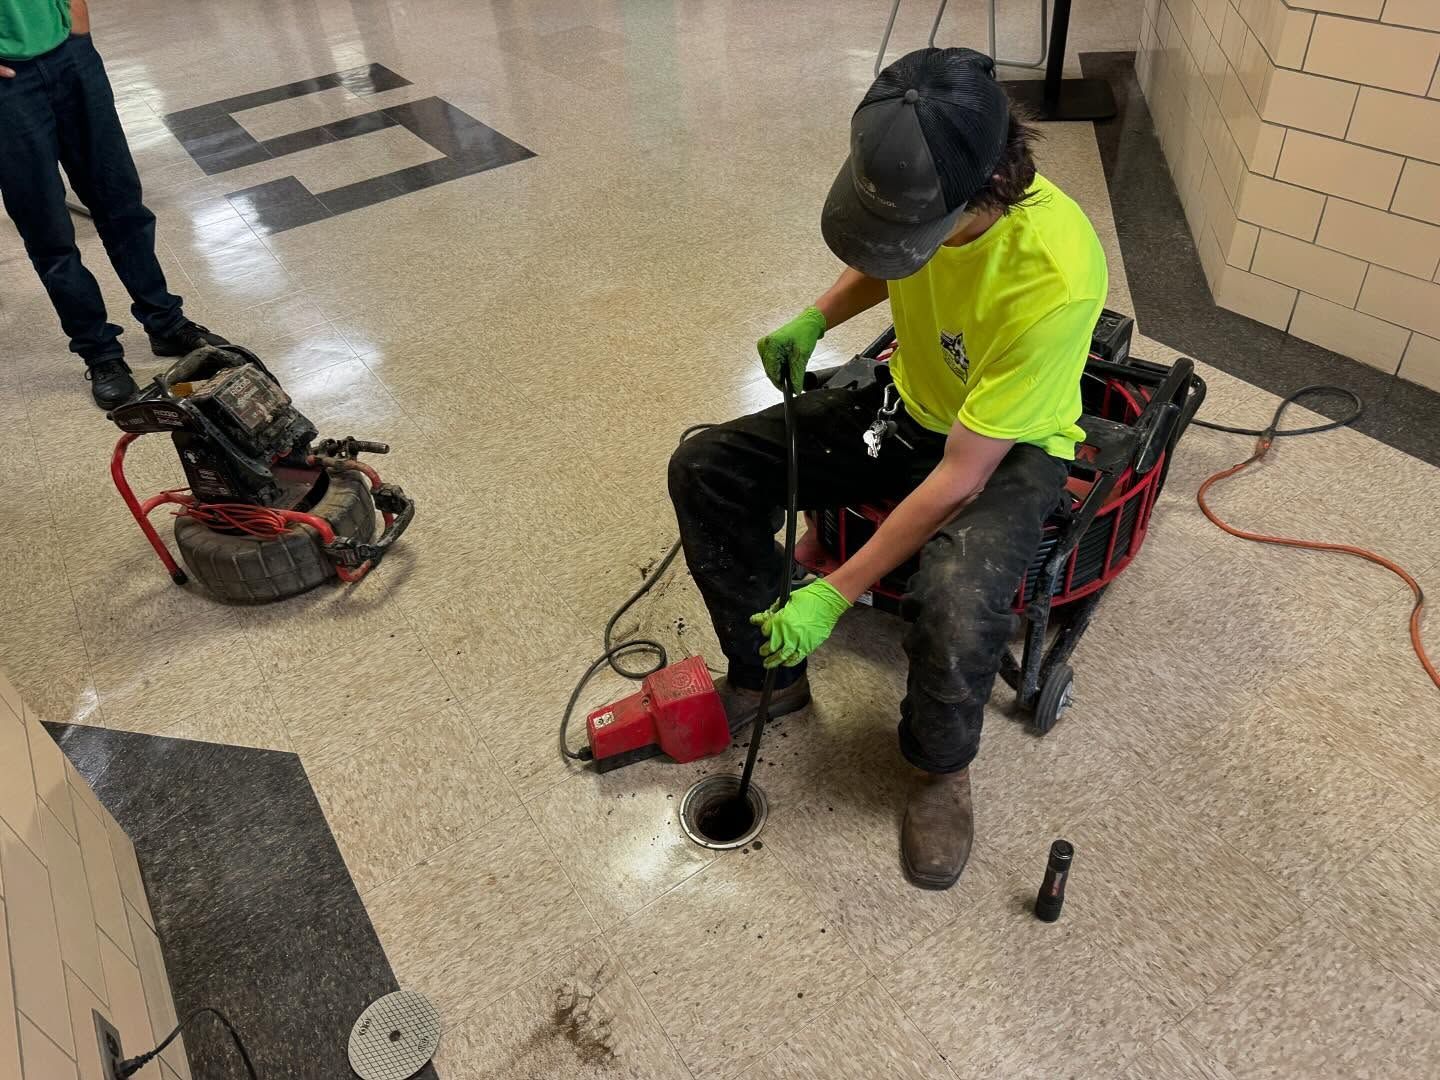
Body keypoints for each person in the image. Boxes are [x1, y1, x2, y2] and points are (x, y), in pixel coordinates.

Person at [669, 48, 1107, 890]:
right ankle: (770, 677)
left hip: (1010, 449)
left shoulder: (1051, 274)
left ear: (981, 196)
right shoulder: (930, 207)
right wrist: (816, 315)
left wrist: (834, 593)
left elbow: (961, 478)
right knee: (707, 468)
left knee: (953, 596)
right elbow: (892, 253)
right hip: (910, 401)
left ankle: (941, 770)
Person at [0, 0, 228, 409]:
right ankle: (100, 352)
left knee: (121, 201)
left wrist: (76, 18)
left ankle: (165, 321)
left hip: (71, 53)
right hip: (7, 84)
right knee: (47, 229)